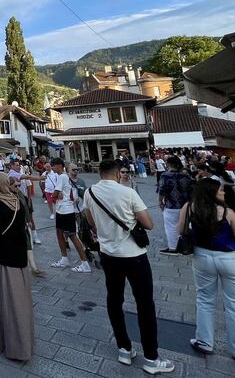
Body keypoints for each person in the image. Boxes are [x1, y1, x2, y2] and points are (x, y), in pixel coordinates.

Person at [84, 160, 175, 375]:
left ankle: (124, 348)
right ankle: (151, 358)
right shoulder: (128, 193)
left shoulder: (90, 192)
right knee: (145, 304)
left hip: (108, 254)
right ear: (117, 174)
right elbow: (149, 223)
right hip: (133, 255)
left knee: (114, 300)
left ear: (99, 173)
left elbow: (90, 221)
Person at [177, 179, 235, 361]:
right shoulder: (227, 212)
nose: (224, 193)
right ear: (212, 193)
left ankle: (205, 342)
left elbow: (180, 230)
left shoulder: (189, 208)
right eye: (221, 191)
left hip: (202, 257)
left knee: (204, 300)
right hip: (228, 258)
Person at [0, 173, 34, 362]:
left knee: (7, 298)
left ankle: (14, 344)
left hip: (4, 256)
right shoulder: (16, 201)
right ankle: (26, 340)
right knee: (21, 298)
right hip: (19, 255)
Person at [50, 158, 91, 273]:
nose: (52, 168)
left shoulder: (62, 176)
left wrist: (56, 195)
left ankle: (85, 263)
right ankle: (64, 259)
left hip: (66, 211)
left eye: (53, 166)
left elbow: (55, 194)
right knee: (59, 233)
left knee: (72, 235)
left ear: (59, 166)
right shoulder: (62, 177)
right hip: (60, 210)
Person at [158, 156, 193, 256]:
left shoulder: (165, 175)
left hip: (171, 205)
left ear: (168, 164)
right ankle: (187, 246)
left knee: (171, 227)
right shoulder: (185, 176)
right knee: (186, 226)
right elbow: (191, 191)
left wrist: (160, 201)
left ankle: (173, 248)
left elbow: (162, 190)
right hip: (185, 205)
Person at [8, 159, 41, 244]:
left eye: (19, 165)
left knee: (30, 217)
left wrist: (29, 199)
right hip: (16, 198)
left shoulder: (21, 173)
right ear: (11, 166)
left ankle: (34, 236)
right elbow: (28, 177)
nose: (18, 166)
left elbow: (28, 185)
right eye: (16, 165)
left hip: (24, 197)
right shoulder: (11, 174)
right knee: (22, 218)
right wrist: (40, 178)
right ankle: (26, 237)